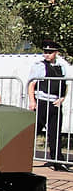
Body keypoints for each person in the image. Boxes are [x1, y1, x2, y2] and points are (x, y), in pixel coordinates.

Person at [28, 39, 69, 171]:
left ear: (56, 53)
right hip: (42, 102)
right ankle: (23, 156)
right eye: (45, 52)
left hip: (55, 103)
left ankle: (57, 161)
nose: (46, 54)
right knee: (33, 131)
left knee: (55, 133)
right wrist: (32, 101)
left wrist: (62, 98)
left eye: (50, 52)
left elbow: (65, 85)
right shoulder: (39, 66)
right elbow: (31, 84)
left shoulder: (61, 66)